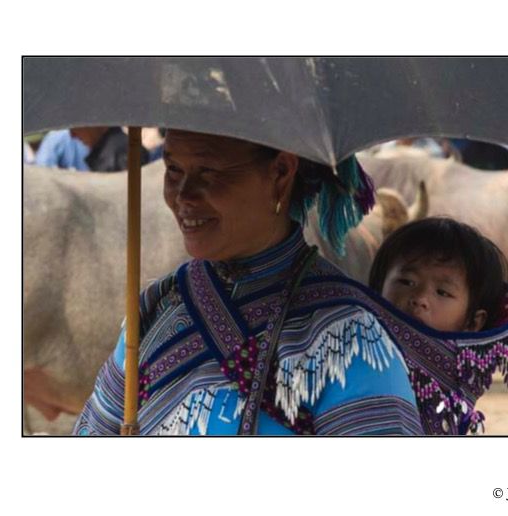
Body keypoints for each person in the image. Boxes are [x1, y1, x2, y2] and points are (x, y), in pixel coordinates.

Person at [73, 130, 423, 436]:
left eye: (208, 171)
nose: (184, 196)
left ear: (281, 173)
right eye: (173, 170)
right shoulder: (155, 310)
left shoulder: (351, 343)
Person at [368, 217, 508, 433]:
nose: (420, 298)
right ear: (377, 290)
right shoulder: (348, 352)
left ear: (472, 323)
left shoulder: (456, 390)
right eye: (406, 282)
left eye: (442, 292)